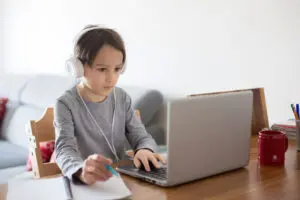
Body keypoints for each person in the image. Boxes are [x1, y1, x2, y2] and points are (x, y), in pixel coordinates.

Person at [54, 25, 166, 185]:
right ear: (78, 68)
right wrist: (81, 171)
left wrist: (144, 150)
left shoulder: (122, 98)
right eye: (102, 69)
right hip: (87, 183)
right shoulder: (65, 104)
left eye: (117, 69)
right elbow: (64, 149)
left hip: (119, 180)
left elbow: (142, 137)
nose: (111, 78)